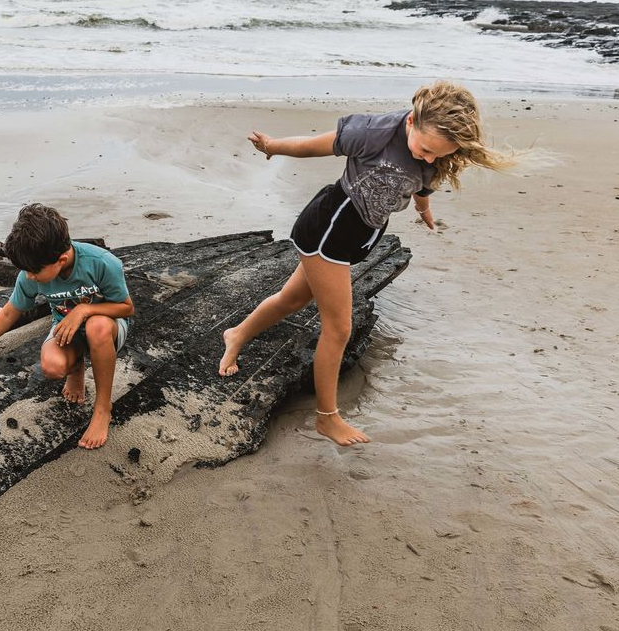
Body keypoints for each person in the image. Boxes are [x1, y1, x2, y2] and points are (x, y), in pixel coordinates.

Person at [218, 80, 515, 446]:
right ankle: (327, 418)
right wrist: (272, 146)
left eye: (438, 155)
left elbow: (422, 184)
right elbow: (315, 146)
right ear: (411, 122)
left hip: (361, 234)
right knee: (338, 328)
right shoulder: (374, 131)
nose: (428, 158)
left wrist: (425, 210)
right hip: (330, 227)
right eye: (424, 149)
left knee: (292, 299)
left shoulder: (437, 152)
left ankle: (237, 333)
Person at [0, 204, 133, 450]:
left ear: (61, 259)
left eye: (34, 272)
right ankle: (76, 369)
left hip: (108, 328)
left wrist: (84, 309)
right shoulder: (29, 274)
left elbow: (126, 307)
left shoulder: (102, 263)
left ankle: (102, 409)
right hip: (67, 330)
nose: (29, 277)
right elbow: (8, 314)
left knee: (96, 326)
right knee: (52, 366)